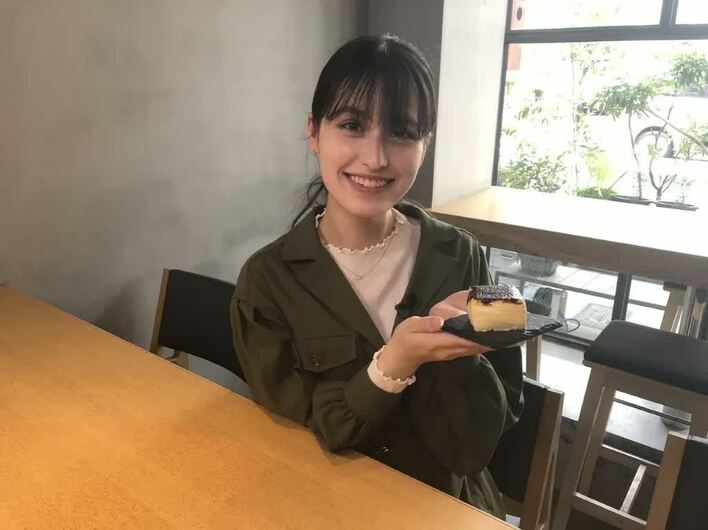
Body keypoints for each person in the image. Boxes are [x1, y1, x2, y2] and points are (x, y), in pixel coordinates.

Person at [231, 34, 523, 517]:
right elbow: (297, 440)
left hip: (445, 507)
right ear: (313, 132)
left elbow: (481, 444)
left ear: (425, 145)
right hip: (324, 510)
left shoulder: (463, 253)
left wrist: (457, 352)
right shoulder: (267, 282)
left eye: (402, 132)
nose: (376, 157)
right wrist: (395, 362)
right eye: (352, 125)